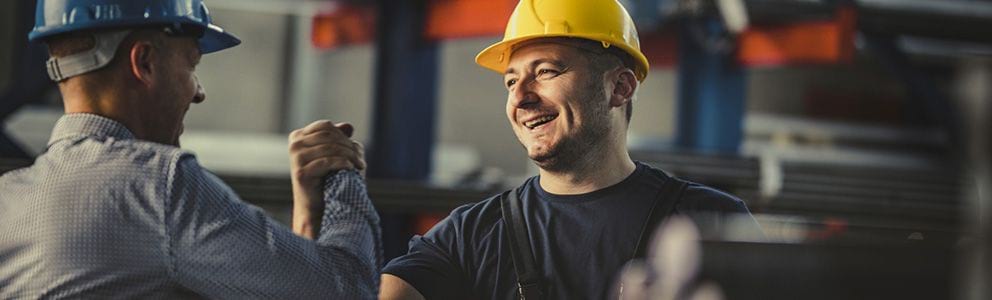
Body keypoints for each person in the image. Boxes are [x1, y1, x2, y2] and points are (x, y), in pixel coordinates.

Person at [379, 0, 762, 299]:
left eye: (546, 71)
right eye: (511, 82)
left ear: (620, 88)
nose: (521, 98)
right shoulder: (469, 236)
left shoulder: (712, 222)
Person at [0, 0, 381, 298]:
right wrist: (341, 174)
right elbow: (347, 290)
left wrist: (308, 215)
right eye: (192, 65)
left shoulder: (10, 200)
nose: (198, 92)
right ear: (145, 62)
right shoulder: (157, 187)